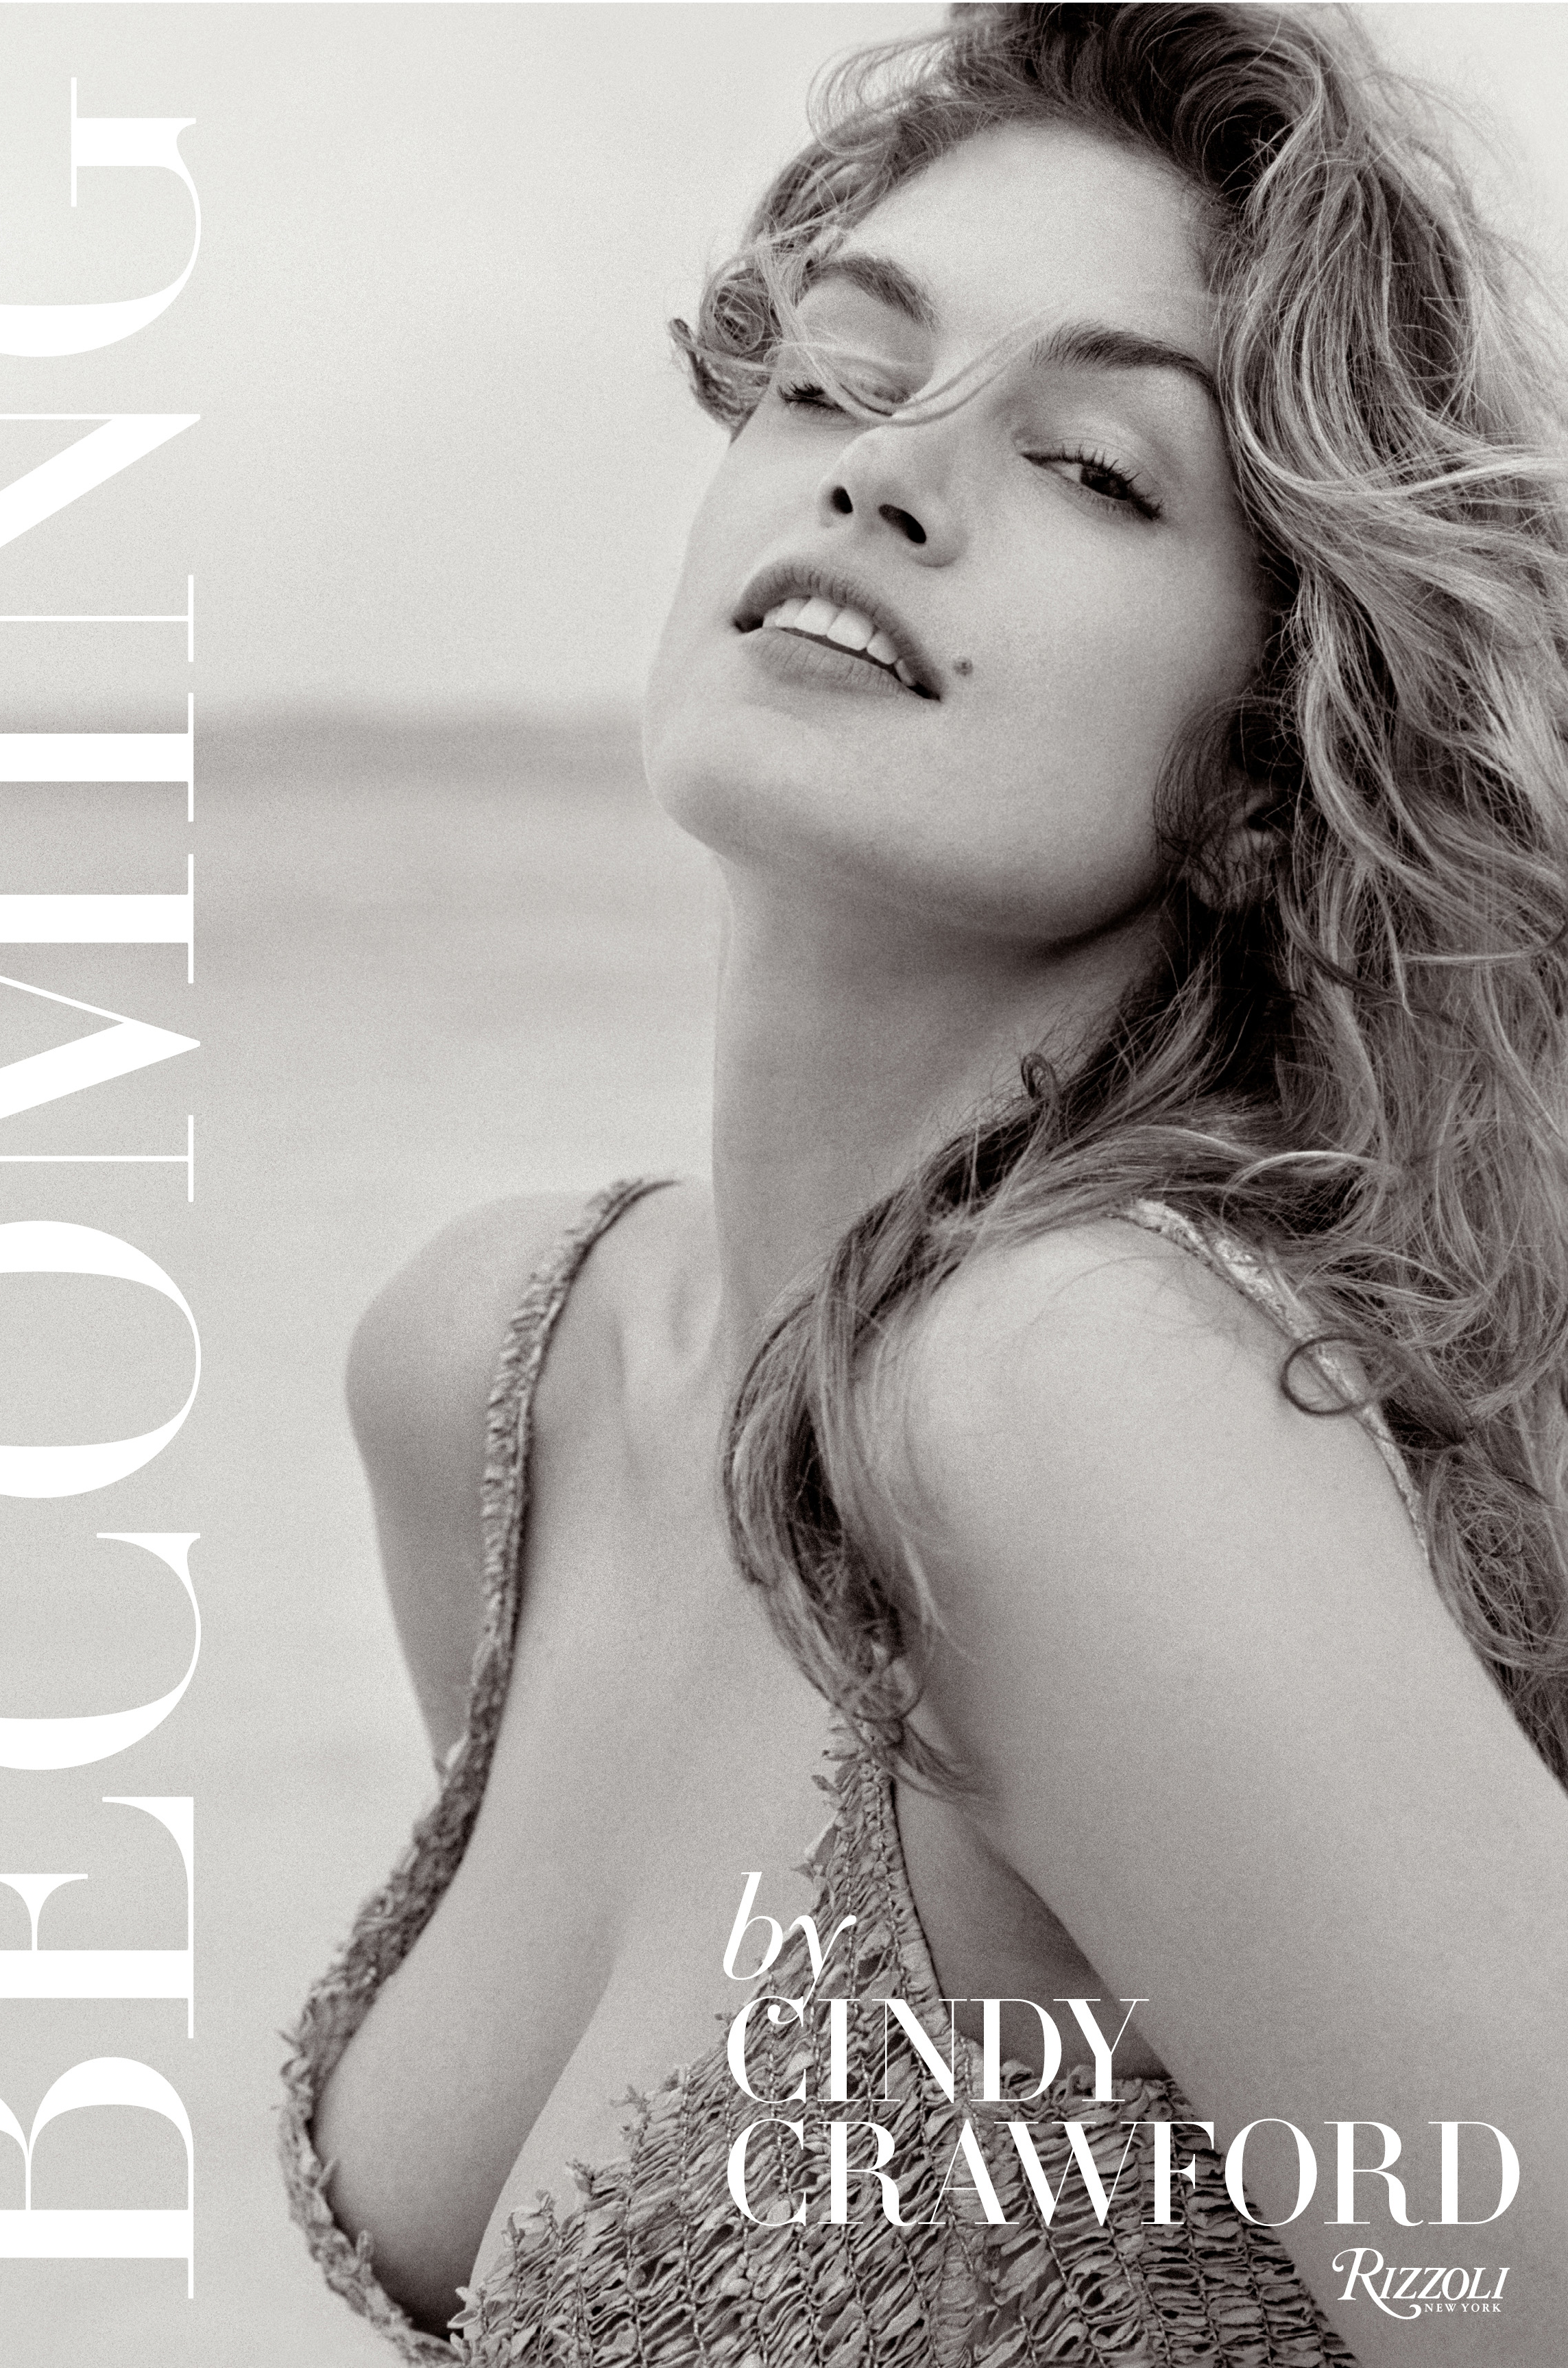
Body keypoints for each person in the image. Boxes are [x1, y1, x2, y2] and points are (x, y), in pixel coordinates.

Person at [280, 6, 1568, 2361]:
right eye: (837, 378)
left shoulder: (1077, 1397)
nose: (887, 473)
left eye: (1089, 467)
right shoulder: (506, 1376)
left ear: (1264, 762)